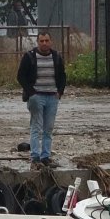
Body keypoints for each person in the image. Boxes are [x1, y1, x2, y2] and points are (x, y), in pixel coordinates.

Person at [16, 31, 66, 167]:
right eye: (41, 41)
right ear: (37, 42)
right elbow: (21, 76)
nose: (44, 43)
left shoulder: (56, 57)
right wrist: (31, 92)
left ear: (51, 42)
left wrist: (59, 92)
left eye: (46, 40)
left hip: (52, 97)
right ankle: (35, 157)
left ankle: (46, 156)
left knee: (48, 128)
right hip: (36, 97)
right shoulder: (29, 57)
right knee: (36, 127)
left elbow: (62, 75)